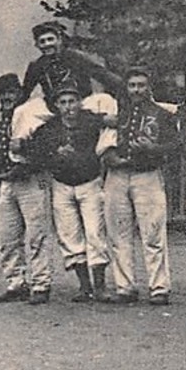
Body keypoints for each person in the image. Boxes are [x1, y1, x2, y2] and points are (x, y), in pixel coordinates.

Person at [0, 72, 62, 304]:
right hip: (8, 183)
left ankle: (41, 284)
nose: (6, 97)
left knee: (37, 235)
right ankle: (16, 283)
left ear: (19, 93)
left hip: (32, 181)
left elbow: (49, 149)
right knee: (7, 237)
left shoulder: (36, 115)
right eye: (2, 94)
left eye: (11, 93)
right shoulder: (0, 120)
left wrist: (27, 149)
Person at [100, 67, 177, 306]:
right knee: (118, 232)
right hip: (117, 175)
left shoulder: (162, 114)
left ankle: (159, 287)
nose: (136, 90)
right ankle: (125, 287)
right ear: (126, 87)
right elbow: (100, 136)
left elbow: (176, 147)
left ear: (149, 87)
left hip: (147, 176)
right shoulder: (115, 112)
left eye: (141, 85)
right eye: (132, 85)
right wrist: (108, 155)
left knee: (152, 232)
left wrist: (152, 149)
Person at [48, 83, 110, 302]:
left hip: (89, 184)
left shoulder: (90, 121)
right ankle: (85, 287)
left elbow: (108, 121)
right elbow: (36, 150)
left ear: (80, 102)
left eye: (72, 101)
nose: (68, 107)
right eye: (63, 102)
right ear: (56, 105)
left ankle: (100, 287)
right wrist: (55, 154)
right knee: (69, 235)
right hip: (62, 186)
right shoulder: (50, 128)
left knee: (95, 233)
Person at [17, 21, 125, 125]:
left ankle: (107, 144)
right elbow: (25, 92)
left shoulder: (75, 57)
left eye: (50, 39)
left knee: (106, 101)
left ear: (59, 40)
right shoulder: (36, 66)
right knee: (22, 111)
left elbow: (102, 74)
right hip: (54, 108)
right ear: (37, 45)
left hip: (83, 104)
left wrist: (126, 88)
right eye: (42, 41)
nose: (47, 44)